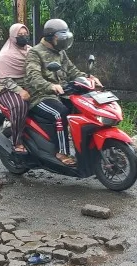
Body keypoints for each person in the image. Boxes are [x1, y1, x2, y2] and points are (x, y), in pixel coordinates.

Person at [24, 18, 101, 166]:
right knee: (60, 113)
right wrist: (50, 86)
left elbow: (72, 71)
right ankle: (62, 151)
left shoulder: (60, 52)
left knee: (86, 110)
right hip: (40, 96)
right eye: (60, 38)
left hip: (61, 93)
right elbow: (33, 77)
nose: (63, 42)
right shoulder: (35, 52)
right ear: (50, 37)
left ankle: (86, 151)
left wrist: (88, 78)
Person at [0, 23, 32, 154]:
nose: (24, 37)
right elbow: (4, 80)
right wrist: (20, 91)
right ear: (12, 37)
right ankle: (17, 142)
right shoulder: (4, 56)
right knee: (20, 105)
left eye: (25, 34)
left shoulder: (30, 51)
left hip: (26, 86)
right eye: (20, 35)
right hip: (6, 89)